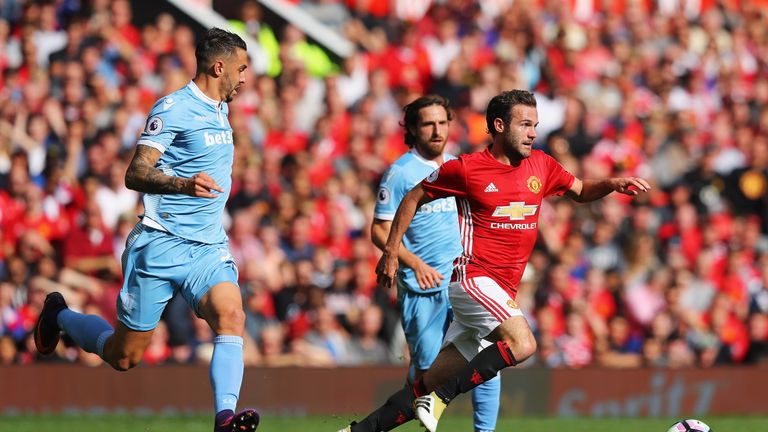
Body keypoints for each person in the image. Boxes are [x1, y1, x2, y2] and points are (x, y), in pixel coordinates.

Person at [338, 90, 650, 432]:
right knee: (522, 344)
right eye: (525, 125)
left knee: (423, 385)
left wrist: (613, 183)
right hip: (472, 279)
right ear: (499, 126)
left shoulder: (541, 165)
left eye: (535, 125)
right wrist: (392, 251)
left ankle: (358, 430)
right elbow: (414, 196)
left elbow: (579, 190)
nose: (533, 132)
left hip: (501, 289)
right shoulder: (467, 169)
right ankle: (442, 398)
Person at [33, 28, 260, 432]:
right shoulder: (173, 108)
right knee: (124, 356)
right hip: (160, 244)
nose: (245, 78)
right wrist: (181, 184)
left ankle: (224, 418)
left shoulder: (221, 108)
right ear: (218, 66)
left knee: (232, 315)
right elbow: (135, 173)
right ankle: (60, 315)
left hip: (206, 248)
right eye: (241, 69)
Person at [370, 94, 501, 432]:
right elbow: (379, 229)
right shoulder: (400, 173)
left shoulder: (459, 167)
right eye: (428, 123)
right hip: (423, 289)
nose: (437, 130)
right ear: (413, 128)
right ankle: (392, 411)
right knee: (430, 374)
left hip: (463, 282)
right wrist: (413, 263)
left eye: (442, 122)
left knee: (486, 359)